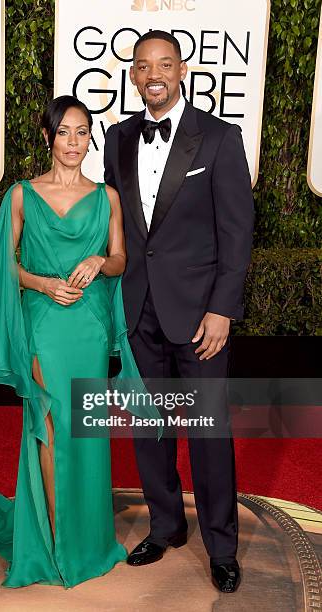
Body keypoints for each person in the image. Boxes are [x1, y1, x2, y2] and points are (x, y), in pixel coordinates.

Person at [0, 95, 153, 589]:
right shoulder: (22, 195)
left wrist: (99, 264)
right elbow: (6, 267)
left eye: (83, 132)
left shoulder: (106, 196)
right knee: (50, 421)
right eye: (65, 132)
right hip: (43, 321)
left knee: (84, 427)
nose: (75, 143)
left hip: (88, 324)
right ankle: (54, 538)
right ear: (48, 138)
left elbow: (120, 259)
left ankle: (86, 538)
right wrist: (42, 283)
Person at [104, 30, 255, 593]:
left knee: (209, 434)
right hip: (138, 310)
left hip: (200, 320)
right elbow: (119, 227)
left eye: (165, 63)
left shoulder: (218, 138)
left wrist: (222, 310)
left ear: (182, 69)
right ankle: (166, 526)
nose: (154, 74)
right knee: (150, 429)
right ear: (135, 75)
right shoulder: (119, 138)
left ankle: (221, 544)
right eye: (144, 66)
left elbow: (237, 231)